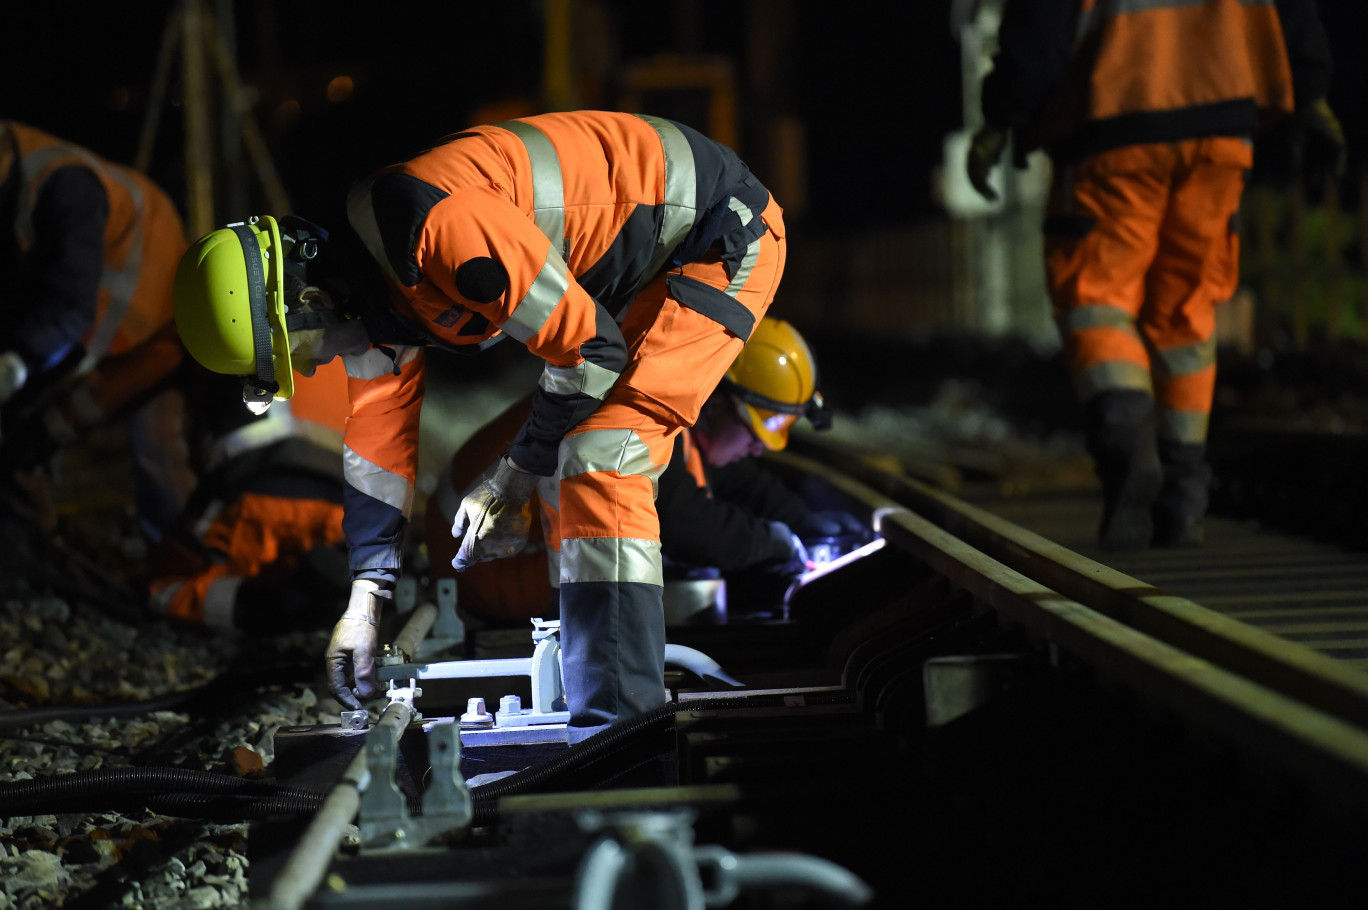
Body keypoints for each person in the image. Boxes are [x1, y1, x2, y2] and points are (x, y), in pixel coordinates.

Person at [173, 111, 786, 741]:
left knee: (604, 451)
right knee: (578, 446)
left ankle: (621, 732)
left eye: (300, 351)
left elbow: (589, 351)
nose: (318, 363)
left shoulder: (439, 232)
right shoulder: (370, 293)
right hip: (651, 257)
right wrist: (364, 603)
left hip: (721, 234)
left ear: (305, 302)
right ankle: (609, 706)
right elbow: (380, 458)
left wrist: (511, 478)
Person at [965, 0, 1341, 549]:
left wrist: (1003, 117)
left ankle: (1128, 448)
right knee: (1188, 312)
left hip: (1114, 116)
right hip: (1223, 122)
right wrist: (1311, 94)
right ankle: (1184, 493)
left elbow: (1040, 25)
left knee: (1096, 298)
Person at [425, 317, 864, 624]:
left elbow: (736, 479)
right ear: (715, 400)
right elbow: (686, 521)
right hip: (489, 567)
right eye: (753, 430)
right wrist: (775, 544)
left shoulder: (676, 405)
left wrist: (802, 520)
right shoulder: (643, 411)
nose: (755, 448)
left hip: (484, 551)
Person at [0, 120, 197, 543]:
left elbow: (69, 310)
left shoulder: (66, 187)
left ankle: (185, 573)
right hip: (100, 340)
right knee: (29, 438)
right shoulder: (18, 184)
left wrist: (13, 367)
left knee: (157, 452)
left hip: (157, 324)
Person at [143, 360, 350, 634]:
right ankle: (314, 596)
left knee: (164, 591)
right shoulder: (365, 334)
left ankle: (266, 603)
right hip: (344, 516)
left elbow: (162, 433)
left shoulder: (233, 326)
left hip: (253, 503)